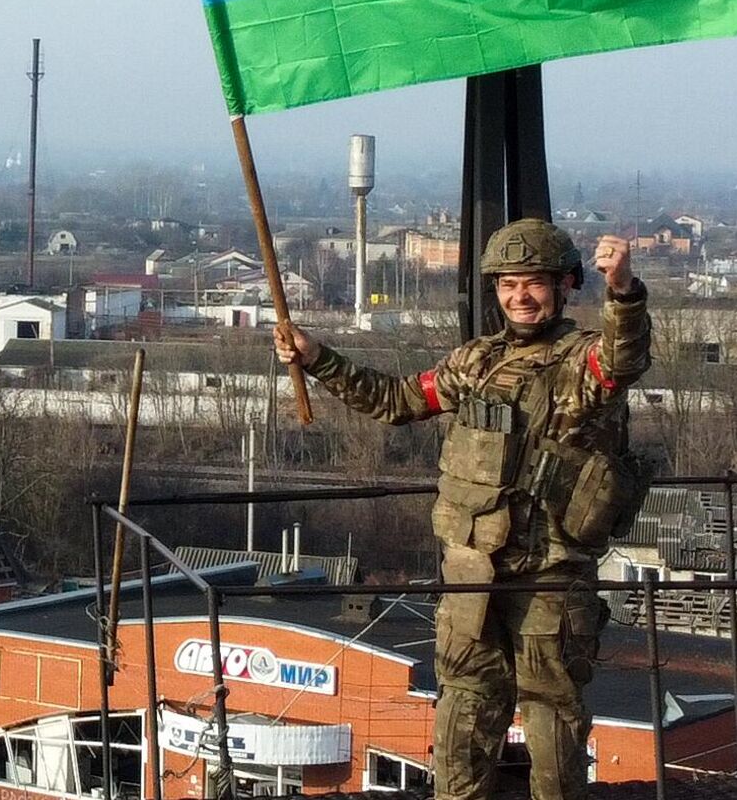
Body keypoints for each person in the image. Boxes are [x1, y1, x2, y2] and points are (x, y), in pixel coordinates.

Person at [272, 219, 652, 800]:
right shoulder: (475, 362)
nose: (520, 296)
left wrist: (623, 290)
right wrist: (319, 357)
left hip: (550, 572)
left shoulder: (582, 365)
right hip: (472, 574)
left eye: (533, 283)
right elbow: (399, 400)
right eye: (507, 285)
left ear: (564, 284)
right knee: (465, 707)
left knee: (551, 712)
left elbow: (622, 360)